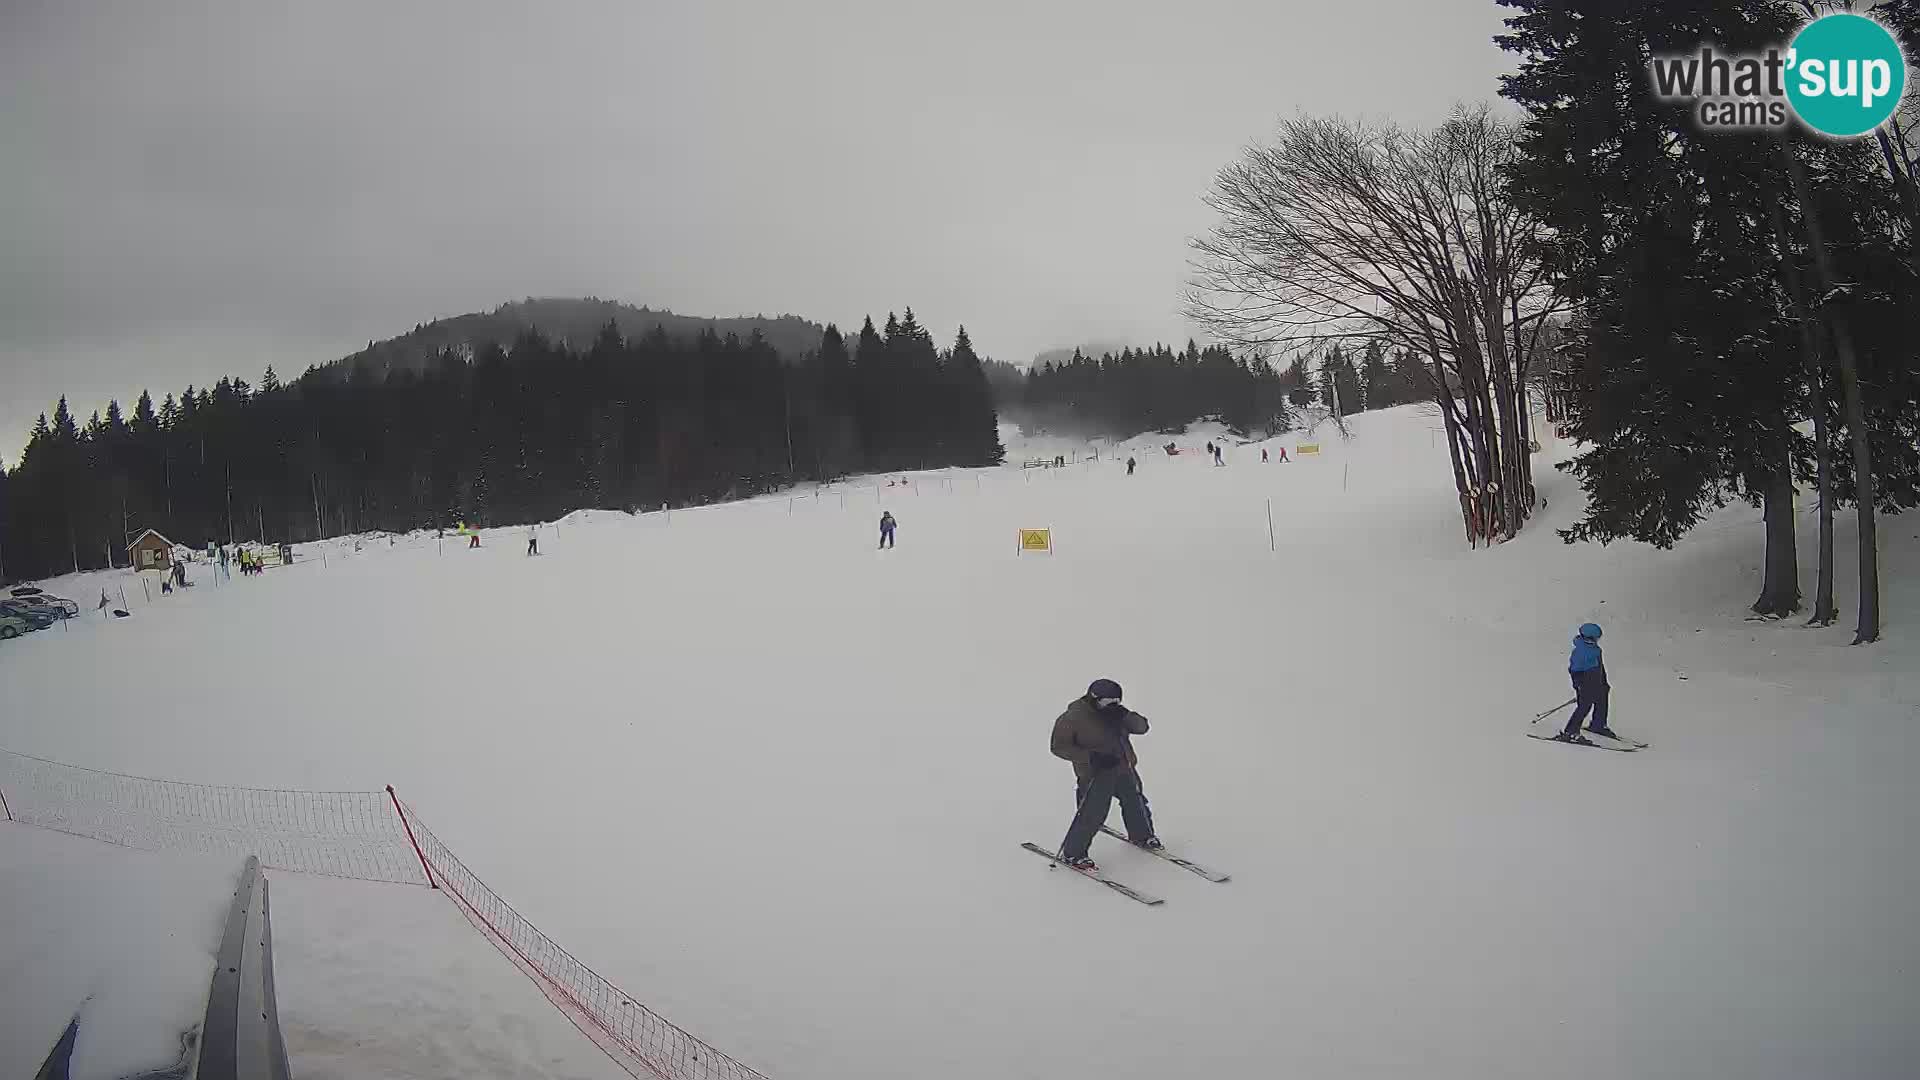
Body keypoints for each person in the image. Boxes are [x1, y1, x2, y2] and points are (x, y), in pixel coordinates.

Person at [1050, 678, 1160, 871]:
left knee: (1136, 802)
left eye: (1116, 701)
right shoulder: (1073, 718)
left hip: (1124, 768)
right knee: (1092, 813)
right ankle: (1074, 853)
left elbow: (1142, 728)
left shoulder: (1117, 714)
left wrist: (1125, 714)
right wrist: (1090, 757)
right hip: (1096, 773)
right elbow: (1059, 747)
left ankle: (1142, 835)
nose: (1111, 706)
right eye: (1106, 702)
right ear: (1094, 698)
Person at [1559, 622, 1618, 741]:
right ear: (1586, 638)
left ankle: (1598, 724)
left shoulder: (1596, 649)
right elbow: (1574, 671)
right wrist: (1579, 685)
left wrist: (1603, 682)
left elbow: (1600, 666)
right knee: (1585, 705)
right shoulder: (1579, 652)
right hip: (1584, 682)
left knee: (1602, 699)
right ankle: (1570, 731)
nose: (1596, 641)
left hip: (1597, 680)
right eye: (1594, 639)